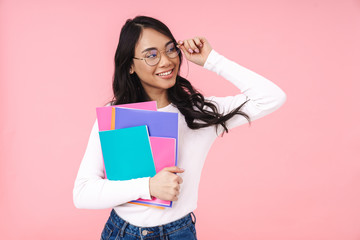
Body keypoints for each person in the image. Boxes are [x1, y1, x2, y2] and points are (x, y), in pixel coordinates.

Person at [73, 15, 286, 240]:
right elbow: (83, 193)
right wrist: (149, 186)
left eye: (171, 49)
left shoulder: (199, 113)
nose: (166, 61)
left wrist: (212, 60)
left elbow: (272, 97)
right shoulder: (116, 117)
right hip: (120, 232)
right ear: (130, 66)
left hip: (176, 233)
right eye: (151, 55)